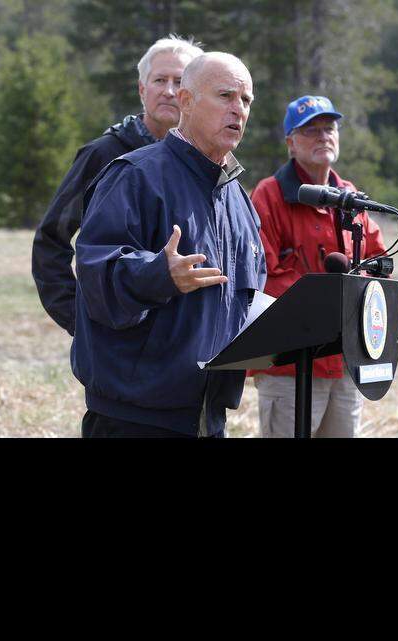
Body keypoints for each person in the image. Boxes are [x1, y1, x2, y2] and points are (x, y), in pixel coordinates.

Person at [72, 52, 266, 438]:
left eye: (245, 101)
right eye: (225, 95)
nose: (238, 110)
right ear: (187, 102)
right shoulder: (135, 176)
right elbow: (96, 272)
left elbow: (248, 296)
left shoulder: (239, 200)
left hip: (206, 417)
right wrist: (158, 274)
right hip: (135, 419)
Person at [31, 35, 204, 337]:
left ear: (194, 95)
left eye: (179, 81)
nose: (169, 91)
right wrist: (79, 319)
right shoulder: (104, 155)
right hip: (120, 347)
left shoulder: (209, 164)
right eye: (159, 80)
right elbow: (50, 241)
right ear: (142, 89)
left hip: (188, 343)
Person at [248, 95, 387, 438]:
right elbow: (259, 275)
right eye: (310, 130)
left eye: (329, 129)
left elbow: (377, 261)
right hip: (288, 362)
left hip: (344, 360)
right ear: (291, 144)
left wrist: (362, 293)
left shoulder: (350, 196)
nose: (323, 136)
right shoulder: (269, 195)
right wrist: (327, 302)